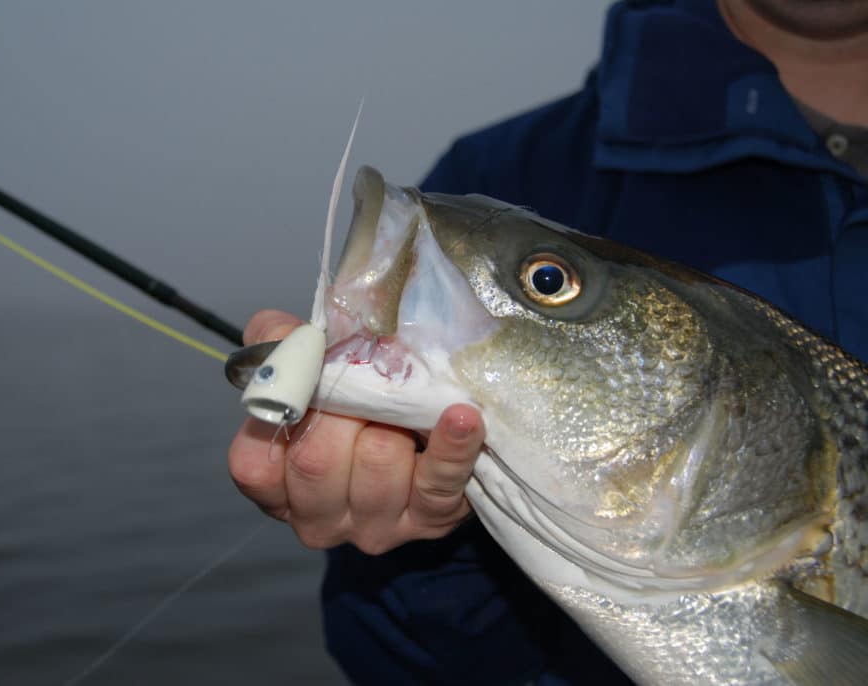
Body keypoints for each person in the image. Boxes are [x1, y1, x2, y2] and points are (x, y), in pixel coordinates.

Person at [228, 0, 868, 683]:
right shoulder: (506, 174)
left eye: (548, 281)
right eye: (549, 280)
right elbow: (399, 662)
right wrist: (431, 547)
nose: (545, 281)